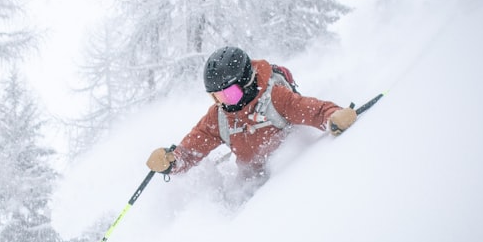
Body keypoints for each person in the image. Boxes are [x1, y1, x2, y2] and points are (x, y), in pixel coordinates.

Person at [146, 46, 357, 184]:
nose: (223, 103)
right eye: (216, 97)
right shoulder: (219, 117)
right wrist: (171, 161)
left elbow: (316, 111)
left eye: (229, 94)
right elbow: (191, 152)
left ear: (247, 83)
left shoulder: (276, 98)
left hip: (288, 178)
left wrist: (334, 116)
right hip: (249, 184)